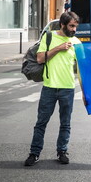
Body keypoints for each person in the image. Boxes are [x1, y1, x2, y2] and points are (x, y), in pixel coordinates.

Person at [24, 12, 80, 166]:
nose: (74, 29)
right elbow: (40, 58)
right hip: (49, 87)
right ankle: (34, 153)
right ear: (62, 24)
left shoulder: (76, 42)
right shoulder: (49, 37)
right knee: (41, 122)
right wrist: (59, 48)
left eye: (76, 26)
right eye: (71, 26)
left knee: (65, 123)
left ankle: (62, 151)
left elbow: (83, 67)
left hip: (68, 88)